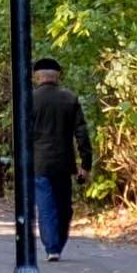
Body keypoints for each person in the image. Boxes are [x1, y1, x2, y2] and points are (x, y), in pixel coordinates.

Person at [29, 57, 93, 260]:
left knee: (46, 206)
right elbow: (81, 133)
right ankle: (58, 242)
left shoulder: (28, 100)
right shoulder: (69, 99)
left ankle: (52, 248)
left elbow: (21, 135)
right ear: (58, 76)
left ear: (36, 76)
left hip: (39, 163)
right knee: (64, 207)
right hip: (65, 163)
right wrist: (86, 164)